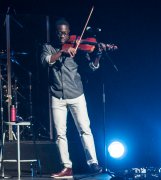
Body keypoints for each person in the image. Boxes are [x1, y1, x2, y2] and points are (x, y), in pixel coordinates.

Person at [41, 18, 103, 178]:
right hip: (57, 96)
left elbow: (91, 69)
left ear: (69, 33)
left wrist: (98, 56)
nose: (62, 36)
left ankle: (93, 163)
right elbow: (46, 61)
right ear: (56, 33)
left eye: (64, 33)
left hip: (76, 94)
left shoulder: (77, 48)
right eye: (59, 33)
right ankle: (67, 167)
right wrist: (62, 51)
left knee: (85, 129)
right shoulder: (48, 47)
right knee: (60, 133)